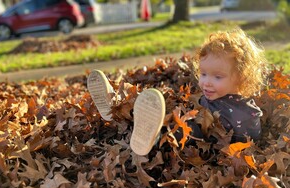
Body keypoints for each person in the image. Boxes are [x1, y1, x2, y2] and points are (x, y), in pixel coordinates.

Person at [87, 28, 266, 156]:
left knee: (182, 129)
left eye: (217, 77)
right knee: (158, 105)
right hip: (191, 120)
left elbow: (248, 144)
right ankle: (116, 107)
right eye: (203, 74)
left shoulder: (245, 114)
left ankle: (153, 135)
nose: (206, 82)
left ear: (241, 78)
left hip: (199, 144)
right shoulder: (217, 93)